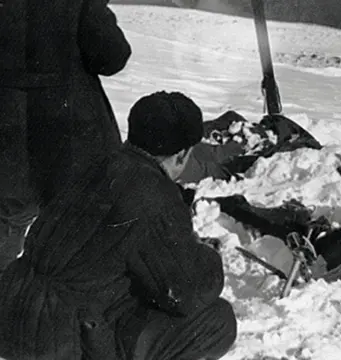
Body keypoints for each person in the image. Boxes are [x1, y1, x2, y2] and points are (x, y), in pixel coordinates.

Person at [0, 91, 237, 360]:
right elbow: (185, 293)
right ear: (182, 155)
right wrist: (208, 258)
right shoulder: (153, 192)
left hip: (14, 309)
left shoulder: (95, 164)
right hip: (61, 338)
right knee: (217, 320)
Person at [0, 0, 132, 271]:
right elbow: (112, 57)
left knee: (6, 222)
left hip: (7, 132)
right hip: (69, 136)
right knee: (73, 234)